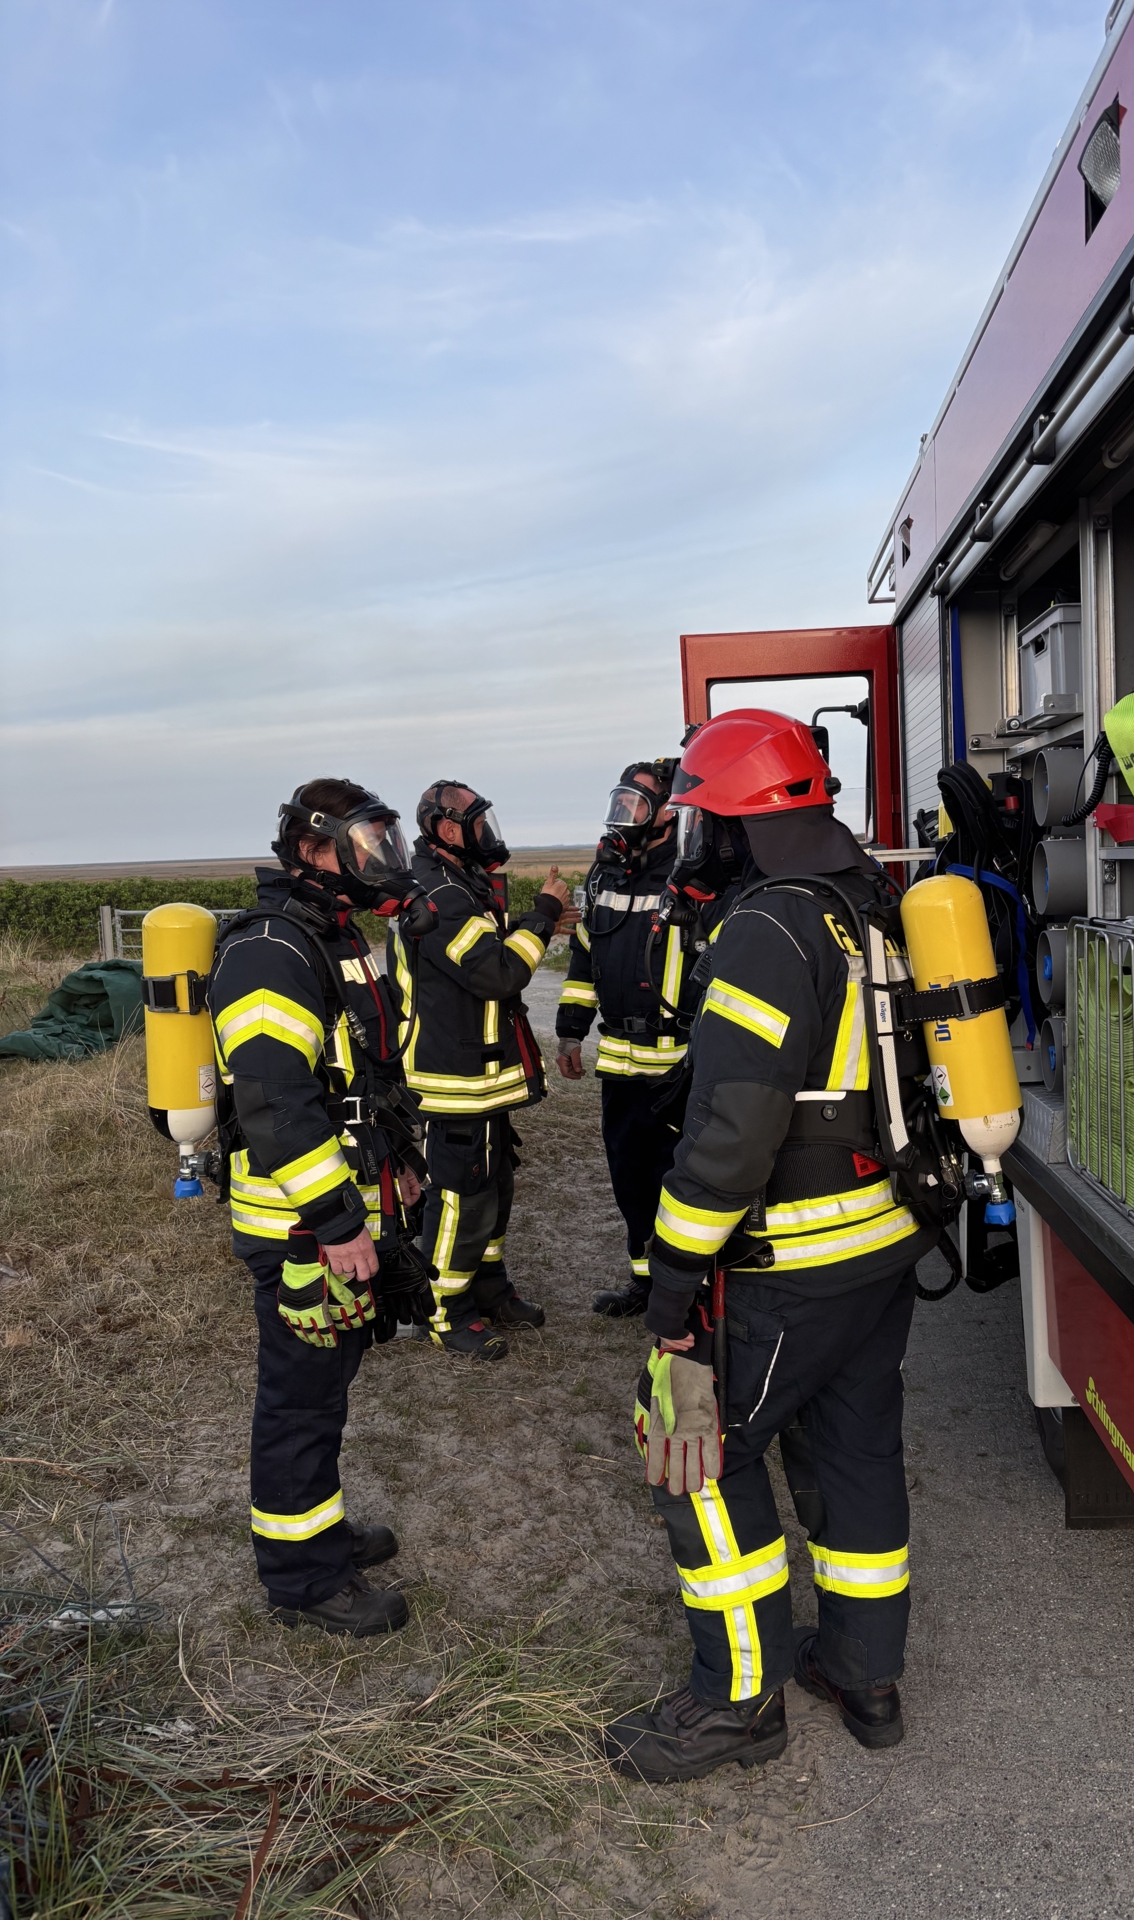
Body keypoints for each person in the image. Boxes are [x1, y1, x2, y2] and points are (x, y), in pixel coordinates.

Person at [602, 710, 933, 1784]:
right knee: (853, 1452)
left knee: (699, 1457)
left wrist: (673, 1291)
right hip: (879, 1249)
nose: (693, 840)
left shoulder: (764, 927)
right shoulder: (866, 906)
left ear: (739, 824)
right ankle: (862, 1674)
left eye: (703, 819)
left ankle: (737, 1704)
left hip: (787, 1264)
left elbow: (732, 1131)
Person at [209, 778, 433, 1637]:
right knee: (299, 1400)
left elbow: (362, 1077)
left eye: (387, 839)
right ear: (310, 849)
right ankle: (303, 1582)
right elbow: (275, 1103)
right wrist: (336, 1225)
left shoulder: (334, 939)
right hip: (299, 1228)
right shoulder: (272, 948)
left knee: (326, 1391)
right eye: (365, 841)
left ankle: (320, 1531)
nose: (383, 858)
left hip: (341, 1210)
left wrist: (400, 1163)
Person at [390, 781, 578, 1358]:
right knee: (460, 1198)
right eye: (477, 822)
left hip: (481, 1075)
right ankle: (443, 1309)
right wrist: (543, 915)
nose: (487, 833)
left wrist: (532, 921)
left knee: (495, 1186)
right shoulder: (439, 893)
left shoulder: (458, 885)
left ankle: (489, 1286)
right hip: (453, 1079)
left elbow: (488, 957)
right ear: (448, 830)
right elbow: (496, 973)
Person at [555, 760, 740, 1317]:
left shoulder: (695, 878)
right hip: (620, 1065)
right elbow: (585, 958)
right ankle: (646, 1283)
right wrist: (569, 1034)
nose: (624, 816)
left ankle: (697, 1290)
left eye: (636, 804)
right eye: (621, 803)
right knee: (630, 1178)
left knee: (684, 1179)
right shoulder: (605, 877)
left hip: (681, 1066)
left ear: (668, 812)